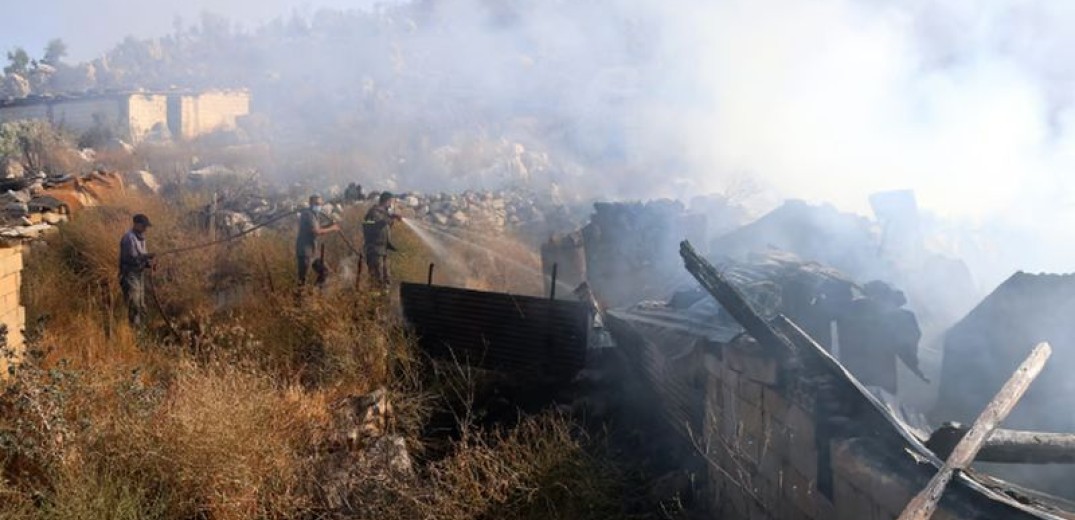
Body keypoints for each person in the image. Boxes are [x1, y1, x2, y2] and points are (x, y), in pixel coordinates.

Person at [836, 280, 926, 395]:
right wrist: (914, 366)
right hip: (881, 378)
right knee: (879, 404)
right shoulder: (896, 316)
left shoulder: (849, 307)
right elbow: (905, 344)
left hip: (851, 373)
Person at [119, 214, 155, 328]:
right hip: (129, 274)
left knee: (140, 302)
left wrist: (149, 263)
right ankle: (133, 330)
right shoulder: (128, 238)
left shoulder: (141, 238)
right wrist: (147, 257)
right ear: (136, 225)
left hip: (139, 274)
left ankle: (139, 328)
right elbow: (132, 258)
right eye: (144, 226)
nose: (145, 229)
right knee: (134, 303)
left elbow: (142, 257)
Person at [296, 195, 340, 286]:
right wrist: (332, 229)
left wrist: (329, 225)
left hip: (312, 251)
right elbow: (316, 231)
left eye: (320, 204)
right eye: (316, 204)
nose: (318, 206)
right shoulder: (307, 214)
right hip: (305, 251)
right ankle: (301, 298)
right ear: (310, 204)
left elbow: (318, 228)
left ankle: (314, 293)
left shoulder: (314, 215)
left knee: (325, 271)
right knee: (303, 279)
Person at [363, 192, 400, 290]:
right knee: (376, 277)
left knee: (386, 277)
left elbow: (386, 228)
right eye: (391, 202)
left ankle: (384, 298)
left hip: (383, 250)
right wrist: (391, 217)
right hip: (375, 250)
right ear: (387, 201)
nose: (392, 204)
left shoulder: (384, 213)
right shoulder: (374, 212)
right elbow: (376, 225)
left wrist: (392, 219)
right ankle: (374, 301)